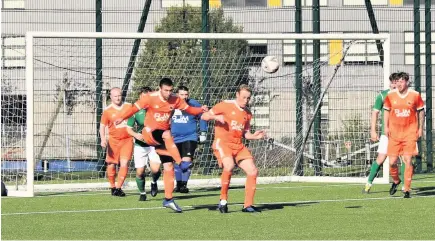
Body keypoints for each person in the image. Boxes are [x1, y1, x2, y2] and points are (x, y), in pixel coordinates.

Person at [115, 78, 208, 212]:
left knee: (168, 166)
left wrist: (200, 109)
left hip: (162, 139)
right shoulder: (149, 97)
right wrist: (121, 117)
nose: (168, 93)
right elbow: (134, 108)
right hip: (149, 133)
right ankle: (181, 163)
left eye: (170, 90)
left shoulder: (175, 100)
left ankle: (168, 199)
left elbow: (190, 110)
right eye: (166, 90)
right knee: (166, 134)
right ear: (160, 88)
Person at [202, 84, 266, 213]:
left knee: (253, 171)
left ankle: (248, 205)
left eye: (248, 98)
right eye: (243, 97)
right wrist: (215, 117)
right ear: (237, 95)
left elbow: (245, 134)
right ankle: (223, 200)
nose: (246, 100)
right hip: (223, 143)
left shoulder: (247, 113)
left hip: (238, 145)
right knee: (229, 166)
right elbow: (204, 116)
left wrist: (254, 136)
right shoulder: (225, 105)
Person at [383, 72, 425, 198]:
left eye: (401, 81)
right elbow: (386, 111)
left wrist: (421, 128)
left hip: (409, 134)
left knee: (407, 160)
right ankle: (396, 180)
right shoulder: (390, 96)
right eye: (398, 81)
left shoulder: (415, 95)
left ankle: (407, 189)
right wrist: (386, 126)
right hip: (394, 134)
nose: (399, 84)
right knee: (392, 162)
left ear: (407, 82)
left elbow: (421, 112)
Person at [363, 72, 399, 193]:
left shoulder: (405, 96)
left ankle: (403, 185)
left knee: (405, 159)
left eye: (397, 82)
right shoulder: (383, 96)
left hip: (402, 133)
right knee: (381, 158)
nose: (395, 84)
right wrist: (373, 130)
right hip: (386, 134)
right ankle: (368, 184)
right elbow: (375, 113)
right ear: (390, 83)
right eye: (393, 82)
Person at [126, 86, 162, 201]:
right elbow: (128, 128)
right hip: (140, 145)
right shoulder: (135, 111)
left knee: (156, 169)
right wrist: (136, 135)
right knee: (140, 172)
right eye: (143, 97)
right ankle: (142, 193)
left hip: (154, 144)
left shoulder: (157, 109)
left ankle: (154, 182)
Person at [172, 85, 208, 193]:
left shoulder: (194, 104)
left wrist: (203, 132)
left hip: (189, 137)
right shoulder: (171, 104)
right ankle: (178, 184)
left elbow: (203, 116)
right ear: (177, 95)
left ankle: (184, 185)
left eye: (186, 94)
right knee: (177, 162)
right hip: (174, 138)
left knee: (186, 162)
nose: (184, 97)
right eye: (181, 94)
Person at [99, 87, 134, 197]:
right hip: (113, 141)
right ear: (111, 97)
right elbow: (102, 126)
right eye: (115, 96)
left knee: (124, 163)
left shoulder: (129, 107)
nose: (118, 98)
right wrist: (103, 139)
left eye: (119, 95)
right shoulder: (107, 110)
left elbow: (135, 119)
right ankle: (112, 186)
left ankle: (119, 188)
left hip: (127, 140)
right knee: (111, 164)